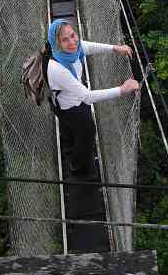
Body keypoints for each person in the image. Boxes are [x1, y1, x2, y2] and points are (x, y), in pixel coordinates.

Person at [47, 18, 139, 176]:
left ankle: (70, 146)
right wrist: (122, 90)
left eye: (73, 35)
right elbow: (87, 97)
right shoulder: (57, 68)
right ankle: (78, 167)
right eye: (65, 40)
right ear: (57, 44)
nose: (72, 42)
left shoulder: (71, 51)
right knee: (87, 131)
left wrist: (115, 48)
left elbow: (86, 46)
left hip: (68, 100)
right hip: (70, 107)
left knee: (71, 130)